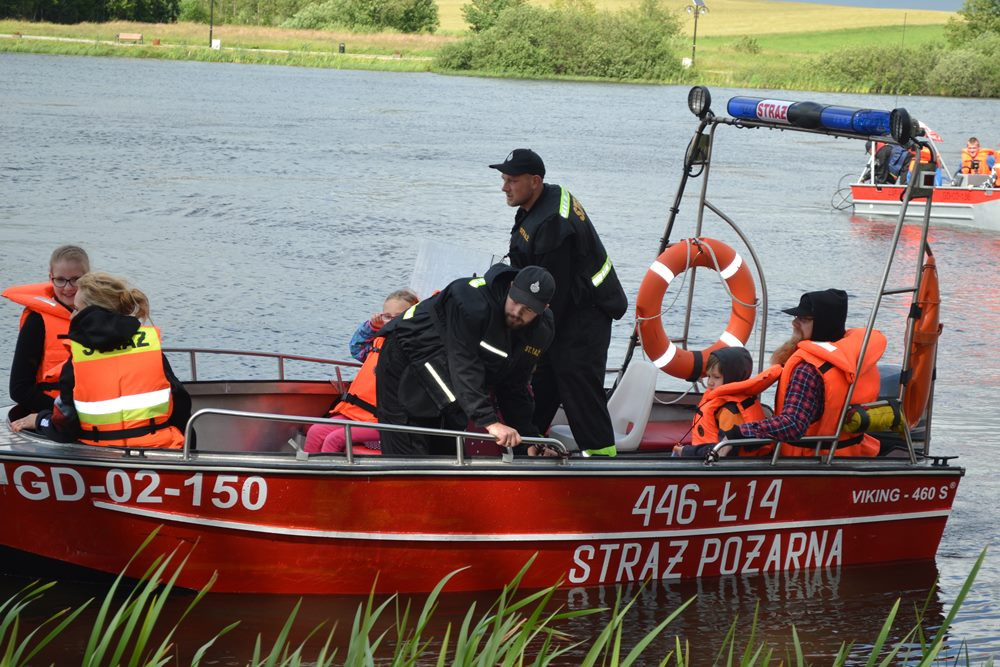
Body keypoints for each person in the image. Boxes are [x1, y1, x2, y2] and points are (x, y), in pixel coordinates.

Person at [490, 148, 628, 457]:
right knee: (540, 382)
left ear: (535, 181)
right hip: (566, 310)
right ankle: (527, 448)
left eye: (511, 180)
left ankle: (602, 462)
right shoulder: (543, 200)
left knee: (578, 387)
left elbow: (550, 294)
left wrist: (520, 333)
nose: (504, 187)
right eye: (503, 179)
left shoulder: (552, 224)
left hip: (583, 317)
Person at [375, 264, 555, 456]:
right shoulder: (470, 302)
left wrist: (528, 440)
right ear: (510, 287)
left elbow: (514, 385)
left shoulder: (541, 332)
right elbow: (464, 363)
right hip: (408, 355)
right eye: (515, 301)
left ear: (543, 309)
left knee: (450, 451)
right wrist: (490, 422)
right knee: (410, 447)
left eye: (527, 309)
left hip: (447, 371)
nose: (517, 312)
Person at [10, 272, 191, 449]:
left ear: (92, 314)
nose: (72, 316)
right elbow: (181, 404)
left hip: (102, 456)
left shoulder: (78, 360)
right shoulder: (149, 347)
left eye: (77, 309)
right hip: (160, 450)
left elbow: (64, 429)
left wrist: (40, 419)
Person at [724, 289, 886, 458]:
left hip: (808, 459)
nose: (794, 322)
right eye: (796, 317)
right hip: (851, 455)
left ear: (823, 323)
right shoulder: (856, 360)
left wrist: (738, 433)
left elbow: (792, 424)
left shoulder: (807, 370)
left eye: (803, 319)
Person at [304, 289, 419, 454]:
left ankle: (327, 479)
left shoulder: (415, 347)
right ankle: (309, 476)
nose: (392, 322)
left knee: (335, 439)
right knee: (315, 432)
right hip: (357, 412)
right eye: (387, 317)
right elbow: (356, 348)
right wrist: (372, 326)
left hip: (384, 421)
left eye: (398, 317)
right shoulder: (378, 341)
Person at [3, 245, 90, 418]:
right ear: (51, 278)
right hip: (52, 415)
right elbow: (19, 389)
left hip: (97, 415)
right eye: (60, 279)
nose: (68, 287)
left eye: (75, 279)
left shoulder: (106, 316)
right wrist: (65, 413)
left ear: (88, 278)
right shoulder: (37, 322)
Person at [672, 347, 780, 458]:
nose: (710, 383)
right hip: (706, 454)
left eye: (716, 377)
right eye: (709, 376)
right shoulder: (735, 400)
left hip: (716, 463)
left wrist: (685, 451)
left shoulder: (730, 412)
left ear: (732, 378)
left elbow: (723, 452)